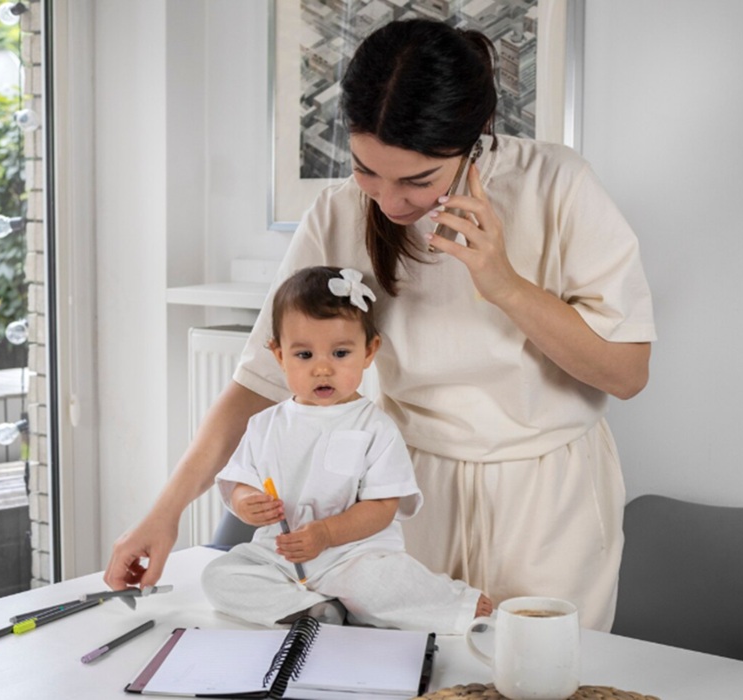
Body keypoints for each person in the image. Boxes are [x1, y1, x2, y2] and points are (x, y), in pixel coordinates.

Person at [106, 18, 655, 632]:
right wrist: (164, 511)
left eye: (418, 180)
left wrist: (502, 283)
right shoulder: (339, 211)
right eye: (368, 170)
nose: (390, 202)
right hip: (405, 496)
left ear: (473, 141)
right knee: (417, 679)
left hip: (549, 498)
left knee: (541, 678)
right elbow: (256, 385)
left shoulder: (558, 185)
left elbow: (626, 373)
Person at [199, 266, 492, 632]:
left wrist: (326, 535)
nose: (323, 369)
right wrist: (246, 502)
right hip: (281, 553)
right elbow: (239, 481)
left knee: (381, 584)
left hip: (352, 554)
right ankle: (315, 609)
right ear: (279, 355)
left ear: (369, 352)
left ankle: (454, 603)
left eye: (339, 353)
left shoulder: (374, 427)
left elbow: (383, 508)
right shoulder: (265, 425)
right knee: (219, 575)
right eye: (304, 355)